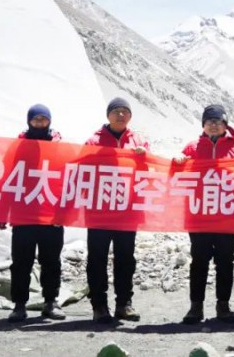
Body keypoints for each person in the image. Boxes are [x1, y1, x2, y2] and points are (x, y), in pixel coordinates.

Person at [173, 104, 234, 325]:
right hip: (199, 214)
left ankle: (223, 306)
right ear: (203, 125)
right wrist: (177, 161)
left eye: (218, 121)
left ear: (225, 124)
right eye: (209, 122)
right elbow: (176, 174)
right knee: (199, 261)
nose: (213, 125)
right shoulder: (191, 147)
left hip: (228, 213)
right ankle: (195, 307)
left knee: (226, 260)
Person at [0, 104, 66, 322]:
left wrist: (66, 212)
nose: (40, 123)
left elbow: (67, 180)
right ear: (29, 121)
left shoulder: (60, 147)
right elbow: (7, 179)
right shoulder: (17, 147)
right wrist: (1, 212)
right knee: (21, 263)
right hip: (23, 214)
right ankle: (19, 305)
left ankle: (50, 302)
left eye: (44, 119)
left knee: (51, 262)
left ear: (50, 121)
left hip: (51, 215)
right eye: (36, 119)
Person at [84, 97, 150, 324]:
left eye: (125, 111)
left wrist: (144, 158)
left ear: (130, 116)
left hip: (126, 211)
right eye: (116, 111)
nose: (120, 115)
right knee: (97, 259)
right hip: (99, 211)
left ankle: (124, 304)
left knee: (125, 259)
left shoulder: (139, 140)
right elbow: (82, 170)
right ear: (108, 115)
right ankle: (99, 305)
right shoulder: (93, 141)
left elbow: (148, 172)